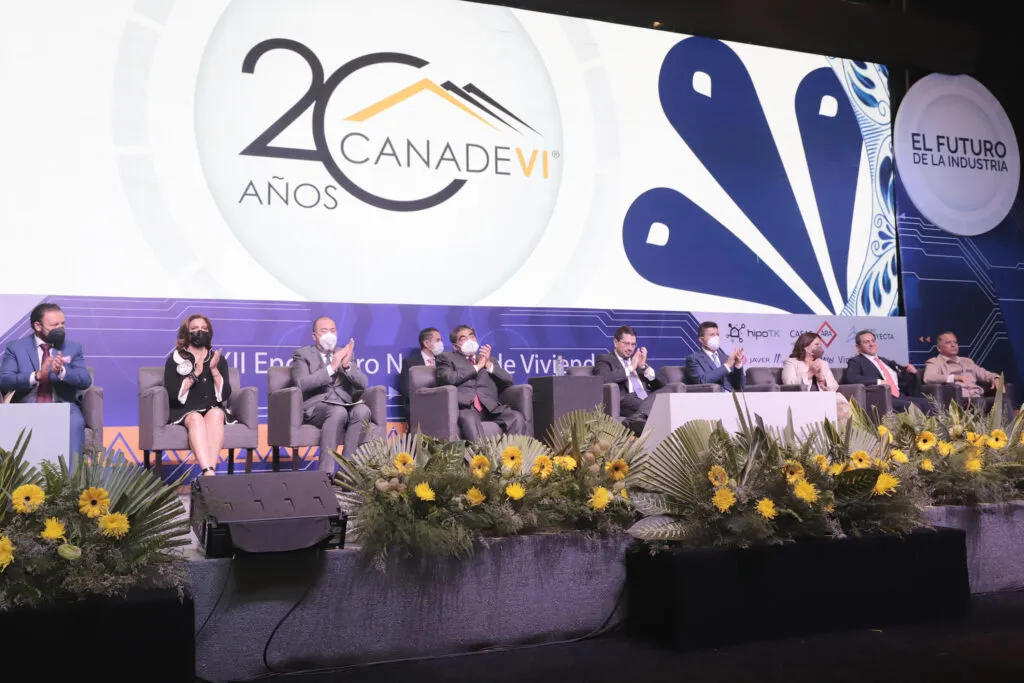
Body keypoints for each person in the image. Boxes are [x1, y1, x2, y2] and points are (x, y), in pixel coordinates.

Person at [0, 302, 92, 459]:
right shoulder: (16, 347)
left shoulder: (73, 347)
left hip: (63, 406)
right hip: (25, 406)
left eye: (62, 324)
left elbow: (85, 380)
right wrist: (36, 376)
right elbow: (4, 380)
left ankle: (72, 475)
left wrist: (62, 372)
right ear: (38, 326)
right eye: (54, 325)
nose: (60, 328)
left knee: (75, 421)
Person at [291, 316, 377, 471]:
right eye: (324, 331)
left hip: (345, 403)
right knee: (337, 412)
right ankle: (326, 471)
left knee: (363, 410)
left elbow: (363, 383)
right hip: (317, 407)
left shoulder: (344, 353)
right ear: (314, 336)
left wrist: (346, 365)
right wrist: (332, 367)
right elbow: (301, 383)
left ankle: (347, 470)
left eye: (332, 331)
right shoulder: (303, 354)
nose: (329, 335)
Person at [164, 314, 233, 476]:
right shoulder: (176, 359)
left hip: (210, 408)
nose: (200, 332)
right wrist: (195, 373)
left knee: (217, 413)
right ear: (186, 333)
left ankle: (209, 474)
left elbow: (224, 395)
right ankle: (209, 474)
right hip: (185, 410)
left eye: (204, 328)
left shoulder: (218, 359)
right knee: (195, 418)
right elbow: (173, 395)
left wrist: (214, 370)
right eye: (194, 329)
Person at [435, 324, 526, 441]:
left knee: (516, 417)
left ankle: (511, 452)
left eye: (471, 336)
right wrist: (477, 367)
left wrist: (488, 364)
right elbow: (447, 379)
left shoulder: (489, 360)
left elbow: (508, 381)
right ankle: (481, 453)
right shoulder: (446, 358)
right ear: (455, 346)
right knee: (470, 418)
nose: (469, 340)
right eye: (463, 338)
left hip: (491, 409)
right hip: (466, 408)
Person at [594, 325, 680, 435]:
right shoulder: (605, 359)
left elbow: (662, 385)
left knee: (676, 387)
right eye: (626, 343)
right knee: (661, 406)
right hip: (626, 399)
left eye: (633, 344)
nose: (630, 348)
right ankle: (639, 419)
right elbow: (603, 380)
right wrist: (630, 368)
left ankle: (634, 420)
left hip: (647, 397)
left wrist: (644, 367)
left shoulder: (637, 360)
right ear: (615, 342)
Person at [845, 330, 931, 414]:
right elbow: (852, 378)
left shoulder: (884, 361)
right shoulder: (856, 361)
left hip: (899, 396)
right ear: (858, 347)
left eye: (873, 341)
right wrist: (879, 382)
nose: (871, 344)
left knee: (928, 403)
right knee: (912, 406)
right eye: (866, 342)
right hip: (882, 398)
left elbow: (902, 374)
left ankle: (932, 424)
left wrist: (911, 371)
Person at [782, 332, 850, 424]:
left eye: (820, 345)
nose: (820, 347)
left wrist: (823, 380)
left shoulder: (823, 363)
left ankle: (840, 432)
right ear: (805, 346)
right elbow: (788, 383)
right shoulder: (791, 362)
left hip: (824, 397)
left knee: (843, 408)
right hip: (804, 398)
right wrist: (810, 373)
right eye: (816, 344)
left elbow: (834, 386)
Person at [923, 331, 1002, 400]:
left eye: (955, 342)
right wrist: (955, 377)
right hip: (957, 398)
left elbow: (984, 374)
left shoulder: (967, 361)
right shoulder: (935, 362)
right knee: (979, 402)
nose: (953, 345)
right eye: (948, 343)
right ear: (939, 348)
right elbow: (929, 378)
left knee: (1003, 402)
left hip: (977, 395)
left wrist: (995, 378)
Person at [684, 321, 746, 392]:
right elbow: (702, 381)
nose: (716, 338)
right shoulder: (693, 359)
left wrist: (738, 365)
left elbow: (740, 385)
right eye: (712, 335)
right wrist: (727, 366)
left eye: (717, 334)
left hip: (732, 396)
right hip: (712, 397)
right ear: (701, 340)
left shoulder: (726, 357)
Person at [400, 327, 444, 397]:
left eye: (441, 340)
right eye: (437, 340)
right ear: (426, 343)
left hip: (442, 400)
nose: (441, 343)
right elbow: (406, 390)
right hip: (420, 400)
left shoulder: (443, 361)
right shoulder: (409, 363)